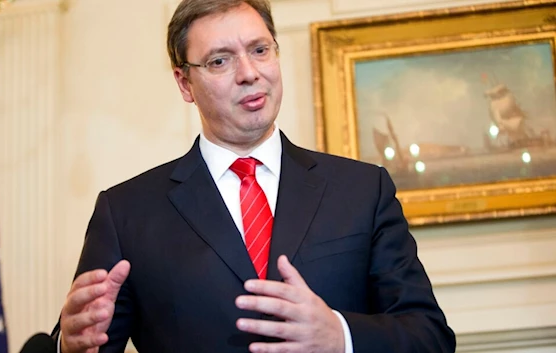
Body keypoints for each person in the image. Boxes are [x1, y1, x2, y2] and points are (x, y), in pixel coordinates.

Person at [52, 0, 456, 352]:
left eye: (260, 50)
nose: (249, 73)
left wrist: (340, 336)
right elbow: (87, 337)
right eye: (220, 60)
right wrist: (69, 346)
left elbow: (430, 337)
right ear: (184, 82)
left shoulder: (363, 190)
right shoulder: (126, 213)